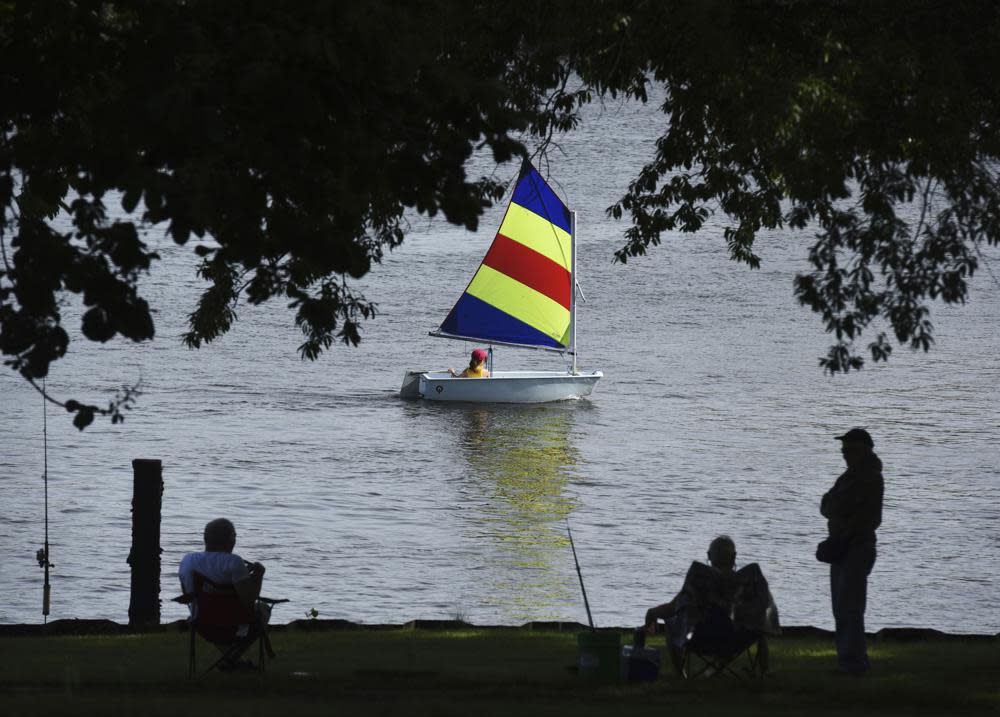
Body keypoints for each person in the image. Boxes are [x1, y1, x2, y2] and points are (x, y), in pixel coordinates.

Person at [645, 535, 779, 675]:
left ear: (709, 555)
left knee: (672, 622)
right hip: (739, 640)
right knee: (757, 622)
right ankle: (763, 671)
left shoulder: (699, 580)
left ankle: (680, 673)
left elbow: (673, 608)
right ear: (734, 557)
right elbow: (763, 610)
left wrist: (652, 612)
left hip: (701, 640)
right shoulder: (748, 583)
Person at [821, 428, 884, 676]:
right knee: (843, 607)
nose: (845, 454)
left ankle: (853, 663)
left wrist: (842, 526)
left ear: (864, 449)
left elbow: (839, 507)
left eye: (850, 450)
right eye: (844, 450)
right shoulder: (851, 476)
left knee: (849, 607)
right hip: (845, 547)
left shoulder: (866, 477)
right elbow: (827, 505)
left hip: (855, 547)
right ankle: (848, 660)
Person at [178, 518, 271, 666]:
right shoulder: (234, 562)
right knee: (263, 609)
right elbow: (248, 599)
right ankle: (232, 660)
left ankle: (233, 661)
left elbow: (188, 593)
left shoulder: (188, 560)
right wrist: (258, 576)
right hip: (233, 624)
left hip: (201, 622)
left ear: (206, 538)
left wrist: (241, 578)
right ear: (230, 539)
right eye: (234, 535)